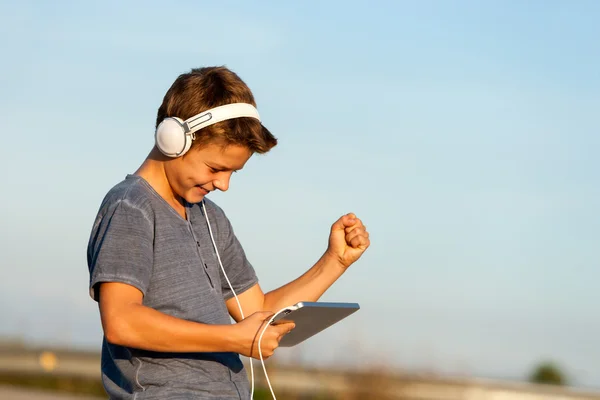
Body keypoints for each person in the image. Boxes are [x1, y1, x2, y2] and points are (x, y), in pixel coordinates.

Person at [86, 66, 370, 399]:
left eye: (233, 172)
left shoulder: (211, 218)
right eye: (216, 168)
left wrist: (334, 261)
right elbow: (122, 321)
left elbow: (258, 313)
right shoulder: (131, 207)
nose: (224, 184)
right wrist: (233, 338)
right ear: (173, 140)